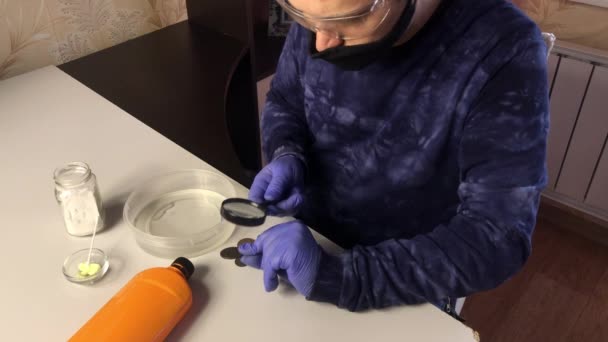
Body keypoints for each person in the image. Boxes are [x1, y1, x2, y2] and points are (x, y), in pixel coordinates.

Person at [237, 0, 550, 315]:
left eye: (350, 18)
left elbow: (496, 237)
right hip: (305, 244)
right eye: (302, 16)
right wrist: (287, 151)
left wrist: (338, 276)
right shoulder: (323, 13)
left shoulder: (502, 47)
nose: (321, 42)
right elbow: (285, 99)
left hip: (407, 282)